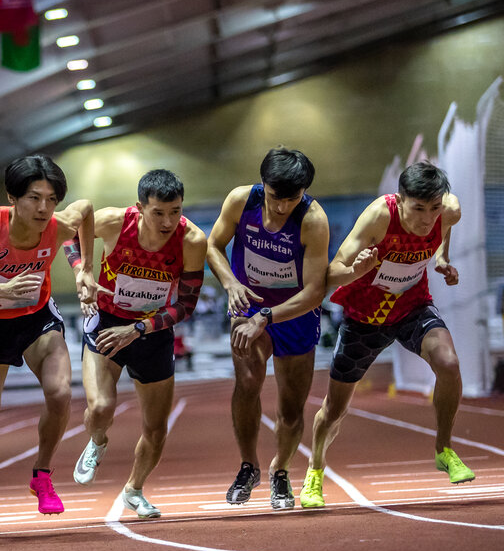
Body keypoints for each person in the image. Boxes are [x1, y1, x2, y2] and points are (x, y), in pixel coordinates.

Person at [300, 161, 473, 509]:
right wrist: (355, 270)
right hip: (365, 318)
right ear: (400, 199)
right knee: (334, 409)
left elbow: (442, 232)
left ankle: (444, 449)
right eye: (418, 209)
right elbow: (329, 273)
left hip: (412, 307)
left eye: (434, 208)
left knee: (449, 364)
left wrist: (441, 259)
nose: (427, 219)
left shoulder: (449, 211)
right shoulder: (379, 217)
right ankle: (315, 471)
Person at [0, 154, 94, 535]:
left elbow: (87, 211)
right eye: (33, 198)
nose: (43, 208)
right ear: (12, 197)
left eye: (51, 199)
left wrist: (84, 270)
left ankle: (41, 475)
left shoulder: (59, 225)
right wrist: (1, 289)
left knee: (61, 393)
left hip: (38, 320)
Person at [67, 169, 207, 518]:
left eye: (175, 211)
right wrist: (81, 269)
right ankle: (98, 441)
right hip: (107, 322)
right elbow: (68, 233)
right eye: (158, 212)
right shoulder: (115, 222)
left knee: (156, 428)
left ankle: (134, 489)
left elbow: (186, 305)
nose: (168, 221)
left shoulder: (191, 240)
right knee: (101, 408)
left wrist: (141, 329)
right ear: (140, 208)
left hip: (151, 332)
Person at [205, 148, 329, 509]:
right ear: (263, 185)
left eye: (293, 199)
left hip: (293, 313)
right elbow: (213, 245)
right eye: (276, 198)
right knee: (247, 382)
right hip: (248, 304)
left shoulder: (312, 220)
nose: (282, 207)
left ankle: (281, 470)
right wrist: (230, 283)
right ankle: (249, 466)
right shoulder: (240, 201)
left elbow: (314, 291)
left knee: (291, 408)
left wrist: (268, 316)